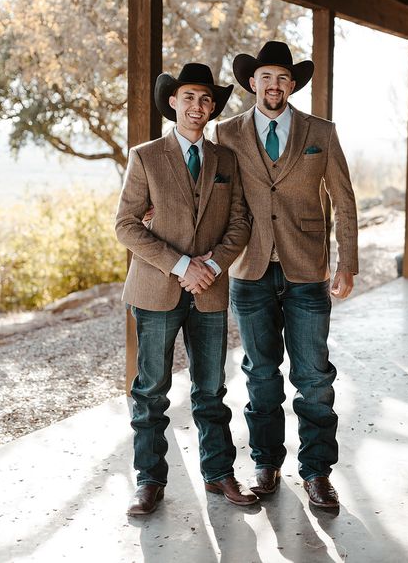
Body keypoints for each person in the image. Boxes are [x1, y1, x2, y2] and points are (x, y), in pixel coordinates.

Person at [214, 41, 358, 508]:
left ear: (291, 84)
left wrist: (347, 261)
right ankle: (266, 462)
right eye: (265, 77)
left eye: (282, 78)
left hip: (307, 269)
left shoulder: (321, 130)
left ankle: (317, 472)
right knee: (260, 374)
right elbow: (206, 194)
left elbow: (343, 198)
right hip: (249, 269)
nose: (274, 85)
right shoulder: (227, 133)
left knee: (314, 376)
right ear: (251, 82)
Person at [115, 62, 258, 515]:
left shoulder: (226, 161)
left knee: (211, 389)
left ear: (213, 108)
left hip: (210, 291)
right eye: (190, 97)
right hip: (156, 291)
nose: (198, 106)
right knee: (151, 390)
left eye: (206, 100)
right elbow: (125, 226)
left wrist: (211, 265)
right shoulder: (146, 156)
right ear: (173, 102)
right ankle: (149, 480)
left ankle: (219, 475)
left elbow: (240, 223)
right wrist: (180, 266)